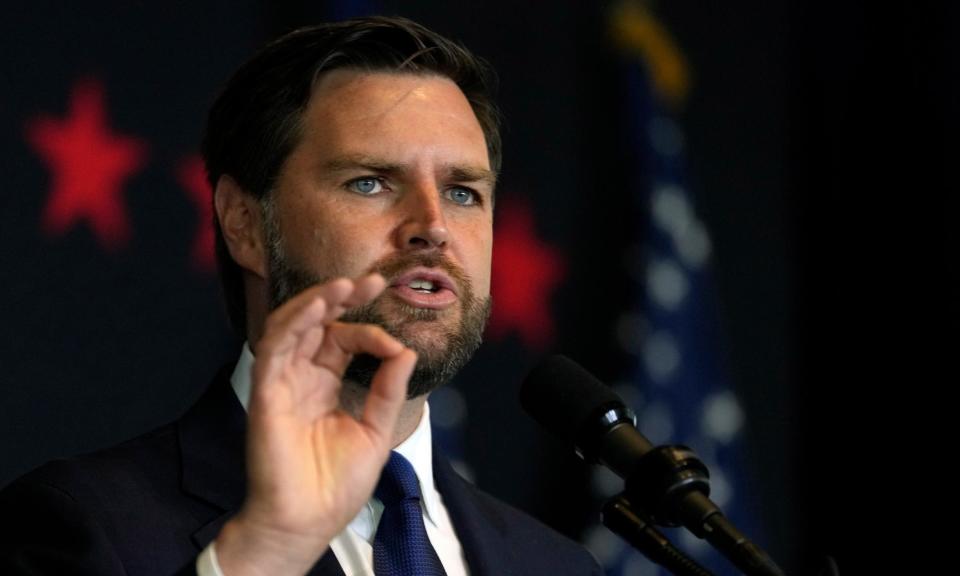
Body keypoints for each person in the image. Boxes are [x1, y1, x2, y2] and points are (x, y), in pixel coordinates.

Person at [0, 15, 603, 576]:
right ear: (245, 224)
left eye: (464, 192)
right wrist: (264, 548)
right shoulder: (85, 525)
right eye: (369, 182)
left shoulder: (555, 564)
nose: (433, 224)